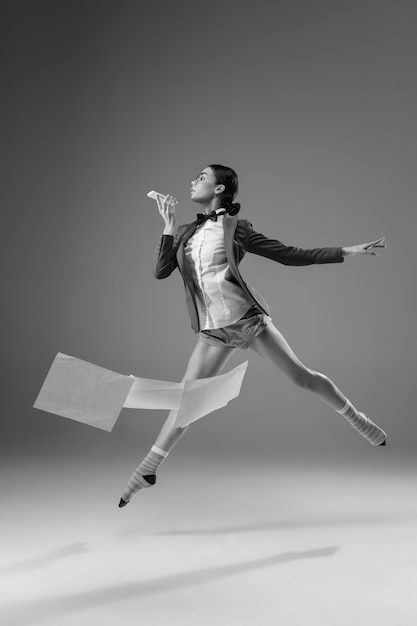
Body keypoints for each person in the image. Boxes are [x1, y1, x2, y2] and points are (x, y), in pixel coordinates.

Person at [119, 164, 387, 507]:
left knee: (301, 378)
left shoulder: (236, 228)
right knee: (188, 402)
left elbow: (290, 255)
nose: (193, 181)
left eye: (201, 177)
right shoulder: (186, 232)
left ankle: (357, 419)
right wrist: (168, 228)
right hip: (212, 331)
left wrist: (347, 251)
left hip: (248, 321)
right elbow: (160, 272)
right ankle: (148, 469)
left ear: (219, 189)